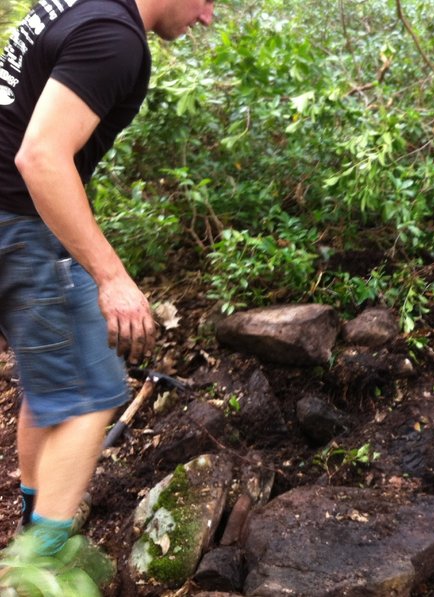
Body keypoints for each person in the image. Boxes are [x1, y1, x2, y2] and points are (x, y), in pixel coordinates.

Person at [0, 0, 215, 556]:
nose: (208, 17)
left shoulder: (76, 6)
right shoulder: (115, 36)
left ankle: (32, 526)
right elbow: (41, 156)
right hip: (18, 221)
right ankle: (36, 570)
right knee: (90, 393)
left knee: (51, 387)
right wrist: (111, 276)